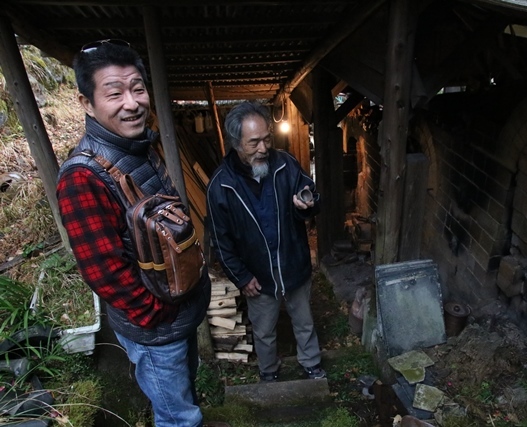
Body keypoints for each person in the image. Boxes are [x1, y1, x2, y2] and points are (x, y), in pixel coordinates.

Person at [56, 39, 225, 427]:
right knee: (176, 418)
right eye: (114, 93)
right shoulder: (84, 175)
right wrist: (159, 315)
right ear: (86, 103)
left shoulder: (139, 147)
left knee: (183, 400)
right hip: (155, 326)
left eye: (137, 88)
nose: (131, 103)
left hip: (177, 312)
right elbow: (104, 271)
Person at [206, 101, 325, 382]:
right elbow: (221, 243)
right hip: (257, 272)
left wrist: (307, 203)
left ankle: (311, 363)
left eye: (267, 139)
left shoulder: (285, 163)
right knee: (264, 329)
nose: (263, 148)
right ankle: (269, 372)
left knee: (304, 321)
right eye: (254, 142)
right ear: (236, 143)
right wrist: (242, 277)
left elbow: (310, 194)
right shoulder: (221, 186)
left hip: (292, 260)